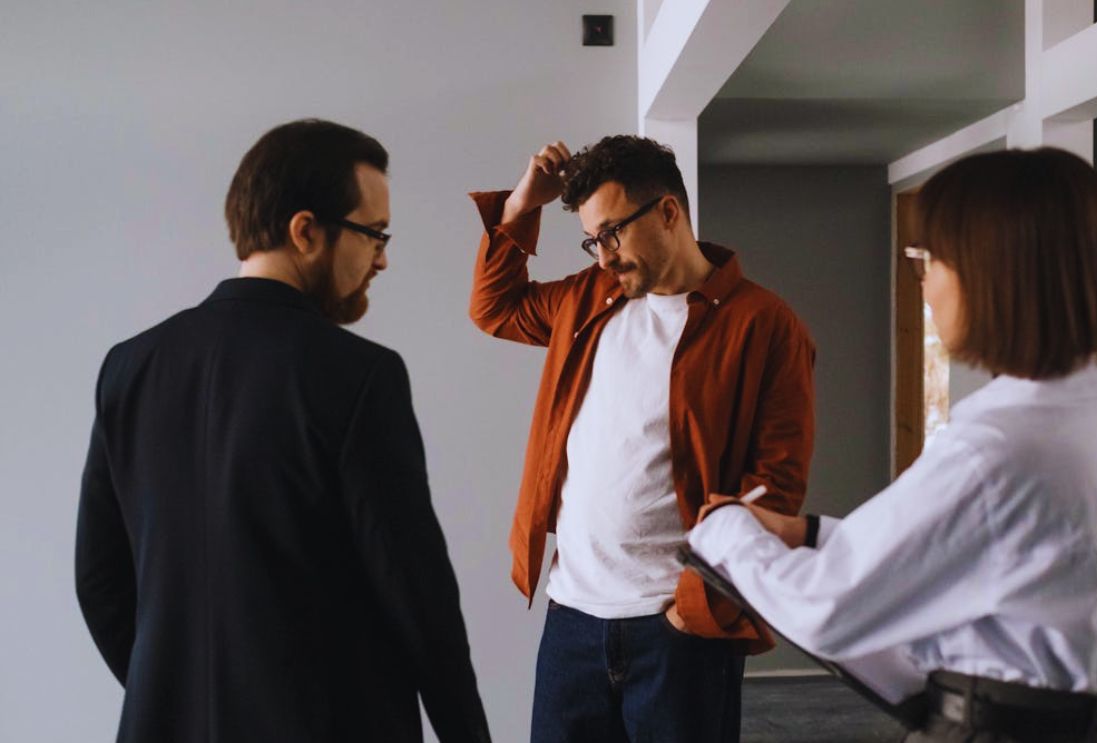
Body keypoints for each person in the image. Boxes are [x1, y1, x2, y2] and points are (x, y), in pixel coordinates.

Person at [688, 147, 1097, 743]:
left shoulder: (998, 450)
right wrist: (808, 534)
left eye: (928, 262)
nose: (925, 288)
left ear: (992, 273)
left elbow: (827, 609)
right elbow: (1006, 556)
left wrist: (724, 530)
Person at [76, 119, 490, 743]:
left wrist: (173, 692)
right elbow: (418, 598)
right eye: (373, 234)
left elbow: (99, 578)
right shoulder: (359, 376)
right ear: (305, 230)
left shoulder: (131, 366)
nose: (382, 257)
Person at [467, 136, 815, 742]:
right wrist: (524, 203)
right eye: (592, 240)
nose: (602, 256)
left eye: (613, 234)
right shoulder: (585, 300)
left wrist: (696, 606)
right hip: (572, 619)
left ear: (668, 213)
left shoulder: (763, 324)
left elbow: (775, 483)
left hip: (679, 630)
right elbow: (494, 306)